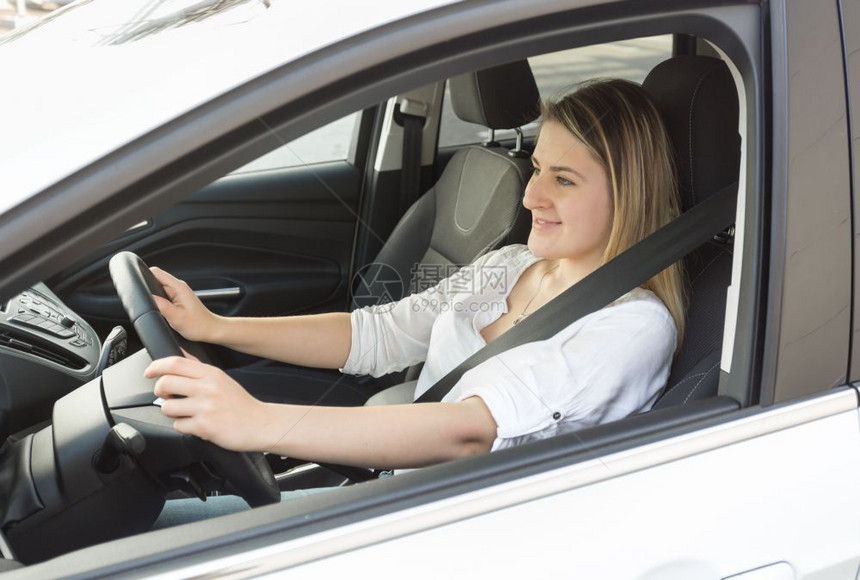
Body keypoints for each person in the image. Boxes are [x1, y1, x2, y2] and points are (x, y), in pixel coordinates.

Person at [145, 79, 685, 516]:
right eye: (538, 168)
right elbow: (380, 334)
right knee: (142, 514)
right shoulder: (511, 264)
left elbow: (471, 432)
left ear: (628, 190)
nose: (531, 195)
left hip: (458, 529)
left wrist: (261, 421)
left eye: (564, 180)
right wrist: (215, 326)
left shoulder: (634, 326)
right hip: (401, 491)